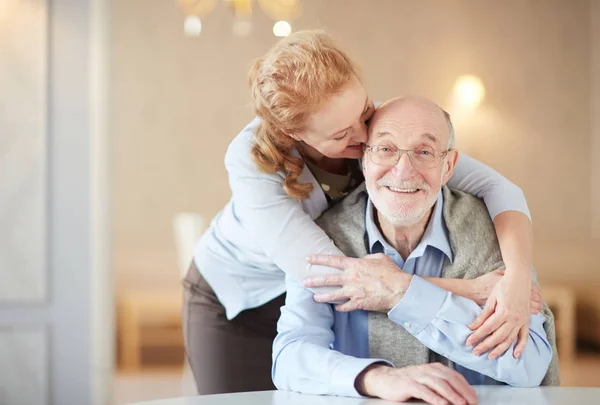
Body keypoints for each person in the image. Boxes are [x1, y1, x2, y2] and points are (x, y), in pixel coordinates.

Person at [183, 30, 538, 395]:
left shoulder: (375, 128)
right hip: (237, 301)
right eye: (342, 134)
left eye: (365, 110)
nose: (364, 133)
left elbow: (500, 189)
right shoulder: (249, 163)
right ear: (295, 135)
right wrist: (471, 291)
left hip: (320, 294)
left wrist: (516, 279)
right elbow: (339, 279)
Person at [272, 97, 559, 404]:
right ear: (364, 160)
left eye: (424, 152)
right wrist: (376, 378)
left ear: (448, 166)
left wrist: (402, 292)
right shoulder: (323, 237)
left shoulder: (493, 230)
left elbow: (529, 364)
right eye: (386, 149)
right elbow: (291, 356)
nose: (403, 170)